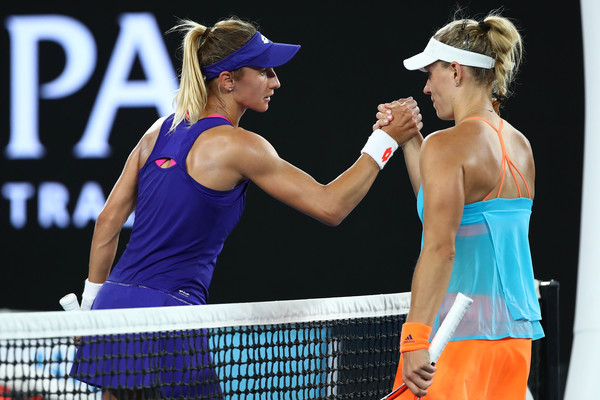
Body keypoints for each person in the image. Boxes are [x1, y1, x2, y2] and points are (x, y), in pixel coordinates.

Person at [68, 16, 422, 399]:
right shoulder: (241, 146)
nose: (276, 81)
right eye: (265, 71)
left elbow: (107, 222)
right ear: (228, 81)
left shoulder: (158, 131)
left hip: (114, 307)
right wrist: (385, 141)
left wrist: (93, 305)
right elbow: (331, 205)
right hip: (170, 320)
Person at [375, 11, 543, 400]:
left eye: (430, 74)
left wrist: (415, 338)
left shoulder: (447, 145)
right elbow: (449, 209)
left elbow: (440, 246)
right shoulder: (520, 146)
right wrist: (412, 140)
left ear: (455, 71)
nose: (427, 87)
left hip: (452, 341)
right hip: (513, 341)